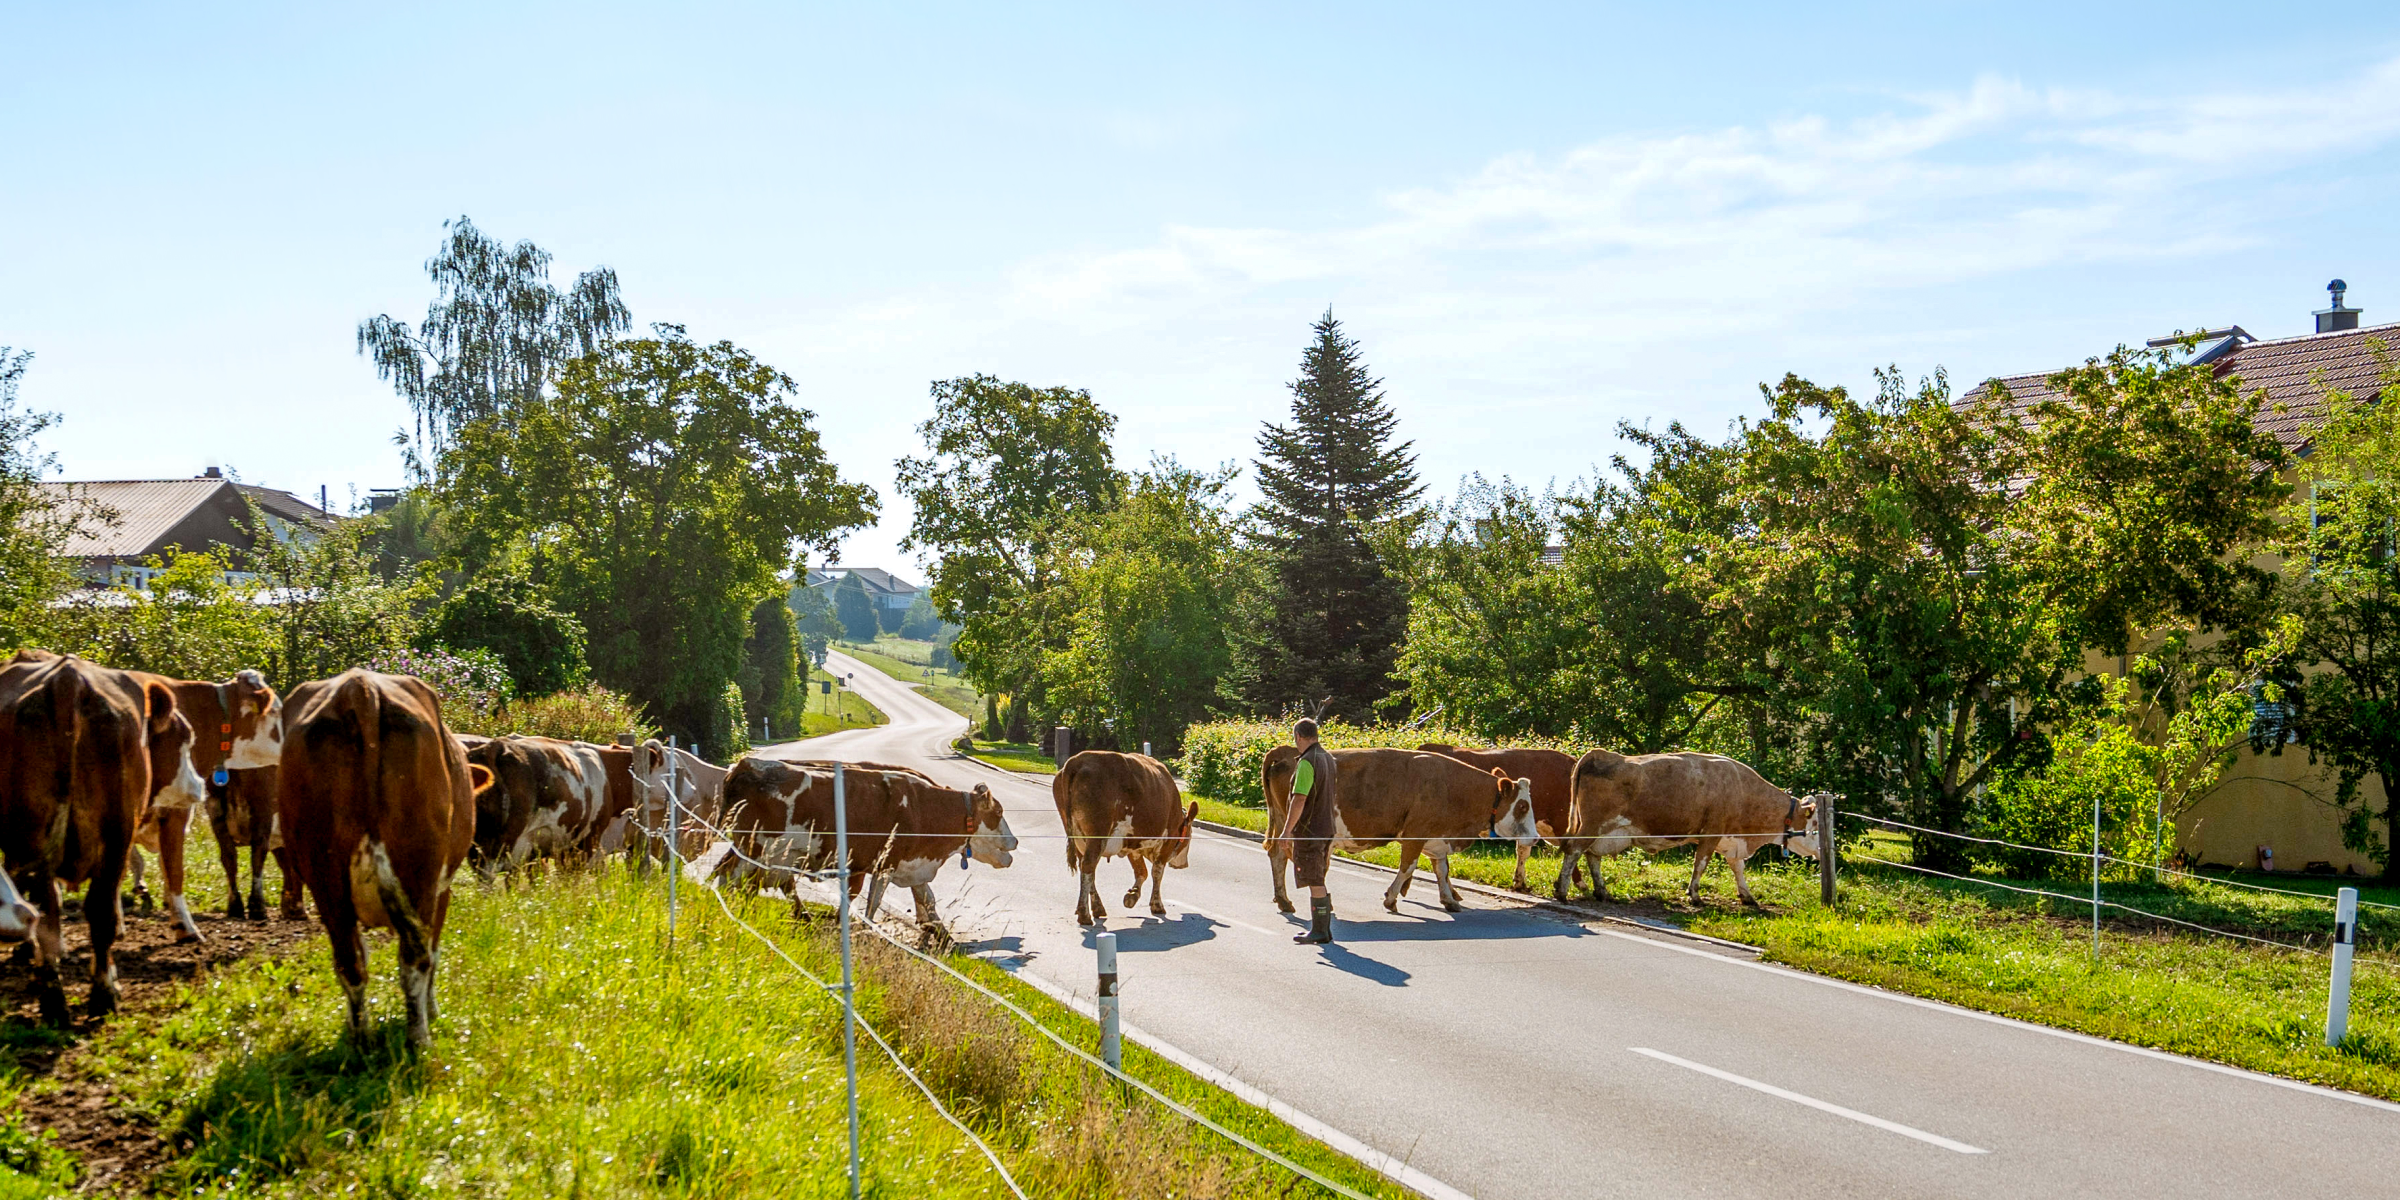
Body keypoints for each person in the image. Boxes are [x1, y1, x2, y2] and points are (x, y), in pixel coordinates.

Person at [1275, 718, 1338, 945]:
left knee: (1314, 878)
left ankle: (1320, 931)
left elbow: (1300, 798)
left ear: (1298, 736)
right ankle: (1323, 929)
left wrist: (1287, 831)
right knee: (1317, 875)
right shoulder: (1328, 758)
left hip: (1310, 829)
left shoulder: (1306, 762)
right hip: (1326, 826)